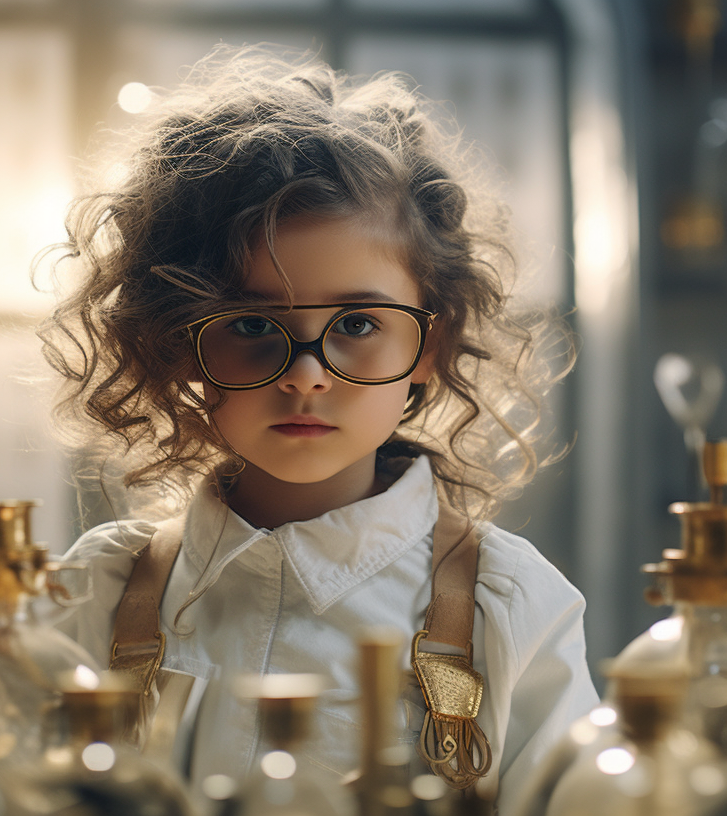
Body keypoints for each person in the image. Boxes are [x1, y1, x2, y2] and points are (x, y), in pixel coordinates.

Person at [38, 45, 597, 807]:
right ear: (179, 342)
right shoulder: (89, 596)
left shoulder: (512, 605)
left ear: (427, 347)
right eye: (253, 324)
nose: (306, 373)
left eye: (360, 322)